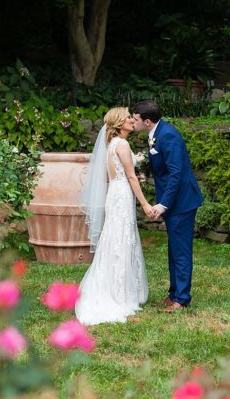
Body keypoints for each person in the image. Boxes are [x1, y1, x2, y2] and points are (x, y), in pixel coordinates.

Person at [75, 107, 150, 325]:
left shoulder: (111, 145)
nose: (131, 120)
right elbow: (131, 177)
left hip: (115, 193)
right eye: (128, 118)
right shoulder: (123, 144)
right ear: (119, 123)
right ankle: (119, 294)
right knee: (121, 239)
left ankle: (118, 288)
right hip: (122, 194)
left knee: (115, 238)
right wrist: (145, 203)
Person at [130, 99, 203, 311]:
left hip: (182, 202)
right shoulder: (157, 133)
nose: (133, 122)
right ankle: (174, 294)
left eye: (136, 119)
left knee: (180, 251)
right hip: (175, 202)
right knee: (174, 249)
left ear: (147, 121)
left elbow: (176, 174)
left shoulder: (168, 135)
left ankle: (181, 299)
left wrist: (163, 204)